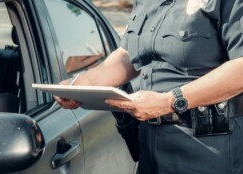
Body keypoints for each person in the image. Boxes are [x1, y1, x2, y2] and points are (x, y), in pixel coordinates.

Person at [55, 0, 243, 173]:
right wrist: (82, 83)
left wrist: (170, 102)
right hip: (150, 146)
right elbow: (130, 55)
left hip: (209, 149)